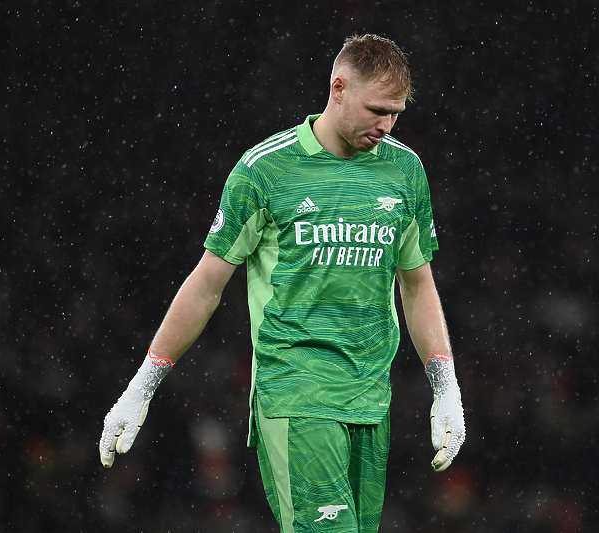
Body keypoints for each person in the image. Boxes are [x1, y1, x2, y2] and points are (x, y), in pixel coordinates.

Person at [99, 33, 466, 532]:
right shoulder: (265, 169)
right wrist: (142, 385)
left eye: (396, 113)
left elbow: (417, 285)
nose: (386, 124)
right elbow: (207, 284)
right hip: (295, 392)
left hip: (369, 397)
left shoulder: (404, 171)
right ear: (337, 88)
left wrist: (445, 388)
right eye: (377, 109)